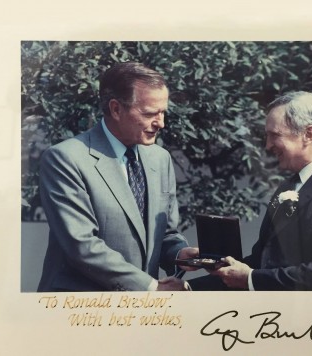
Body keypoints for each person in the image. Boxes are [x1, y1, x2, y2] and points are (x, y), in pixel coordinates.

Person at [37, 62, 198, 292]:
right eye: (150, 113)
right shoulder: (65, 158)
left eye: (163, 112)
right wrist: (152, 288)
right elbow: (82, 246)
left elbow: (164, 234)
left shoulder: (160, 159)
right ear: (115, 109)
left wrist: (180, 254)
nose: (161, 123)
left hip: (140, 314)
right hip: (79, 311)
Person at [190, 91, 312, 291]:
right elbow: (262, 263)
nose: (268, 146)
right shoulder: (287, 187)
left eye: (275, 135)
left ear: (309, 134)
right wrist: (187, 288)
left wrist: (251, 278)